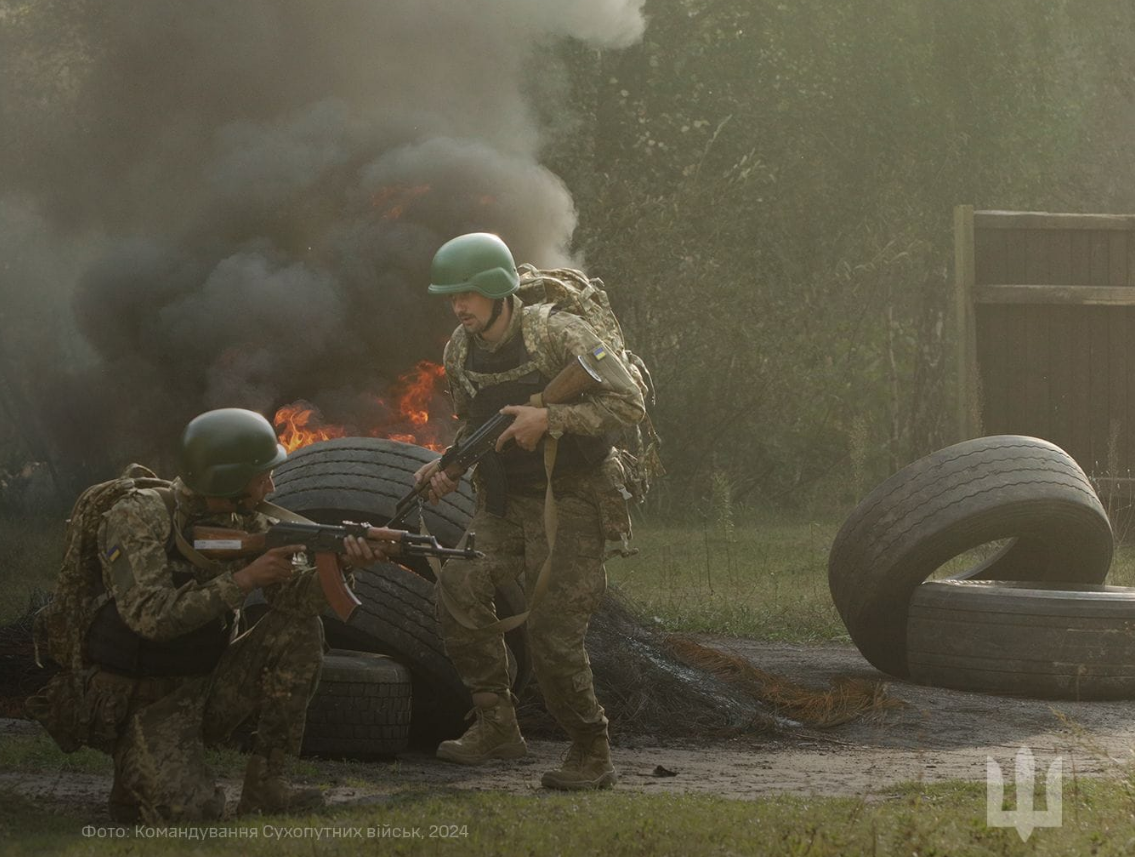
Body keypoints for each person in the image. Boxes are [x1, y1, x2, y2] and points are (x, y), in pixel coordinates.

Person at [29, 408, 384, 822]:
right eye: (261, 475)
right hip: (138, 702)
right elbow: (151, 617)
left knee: (300, 629)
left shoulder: (245, 520)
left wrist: (344, 564)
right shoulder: (137, 515)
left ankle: (267, 786)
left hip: (204, 685)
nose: (271, 484)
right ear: (228, 481)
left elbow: (296, 603)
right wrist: (243, 580)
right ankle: (136, 768)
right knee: (194, 815)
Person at [412, 232, 645, 790]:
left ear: (495, 290)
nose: (458, 306)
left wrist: (551, 420)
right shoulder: (459, 350)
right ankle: (497, 724)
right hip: (505, 500)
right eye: (452, 297)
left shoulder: (557, 333)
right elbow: (474, 424)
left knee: (552, 632)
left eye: (467, 294)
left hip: (574, 499)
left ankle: (591, 750)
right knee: (458, 585)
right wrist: (448, 467)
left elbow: (628, 402)